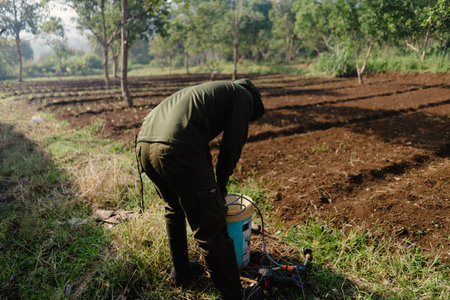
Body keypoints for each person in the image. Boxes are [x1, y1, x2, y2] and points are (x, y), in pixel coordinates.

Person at [136, 78, 264, 299]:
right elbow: (231, 146)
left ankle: (182, 271)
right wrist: (220, 187)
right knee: (211, 224)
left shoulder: (211, 92)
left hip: (144, 145)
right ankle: (235, 296)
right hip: (177, 149)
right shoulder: (243, 95)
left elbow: (198, 141)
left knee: (174, 207)